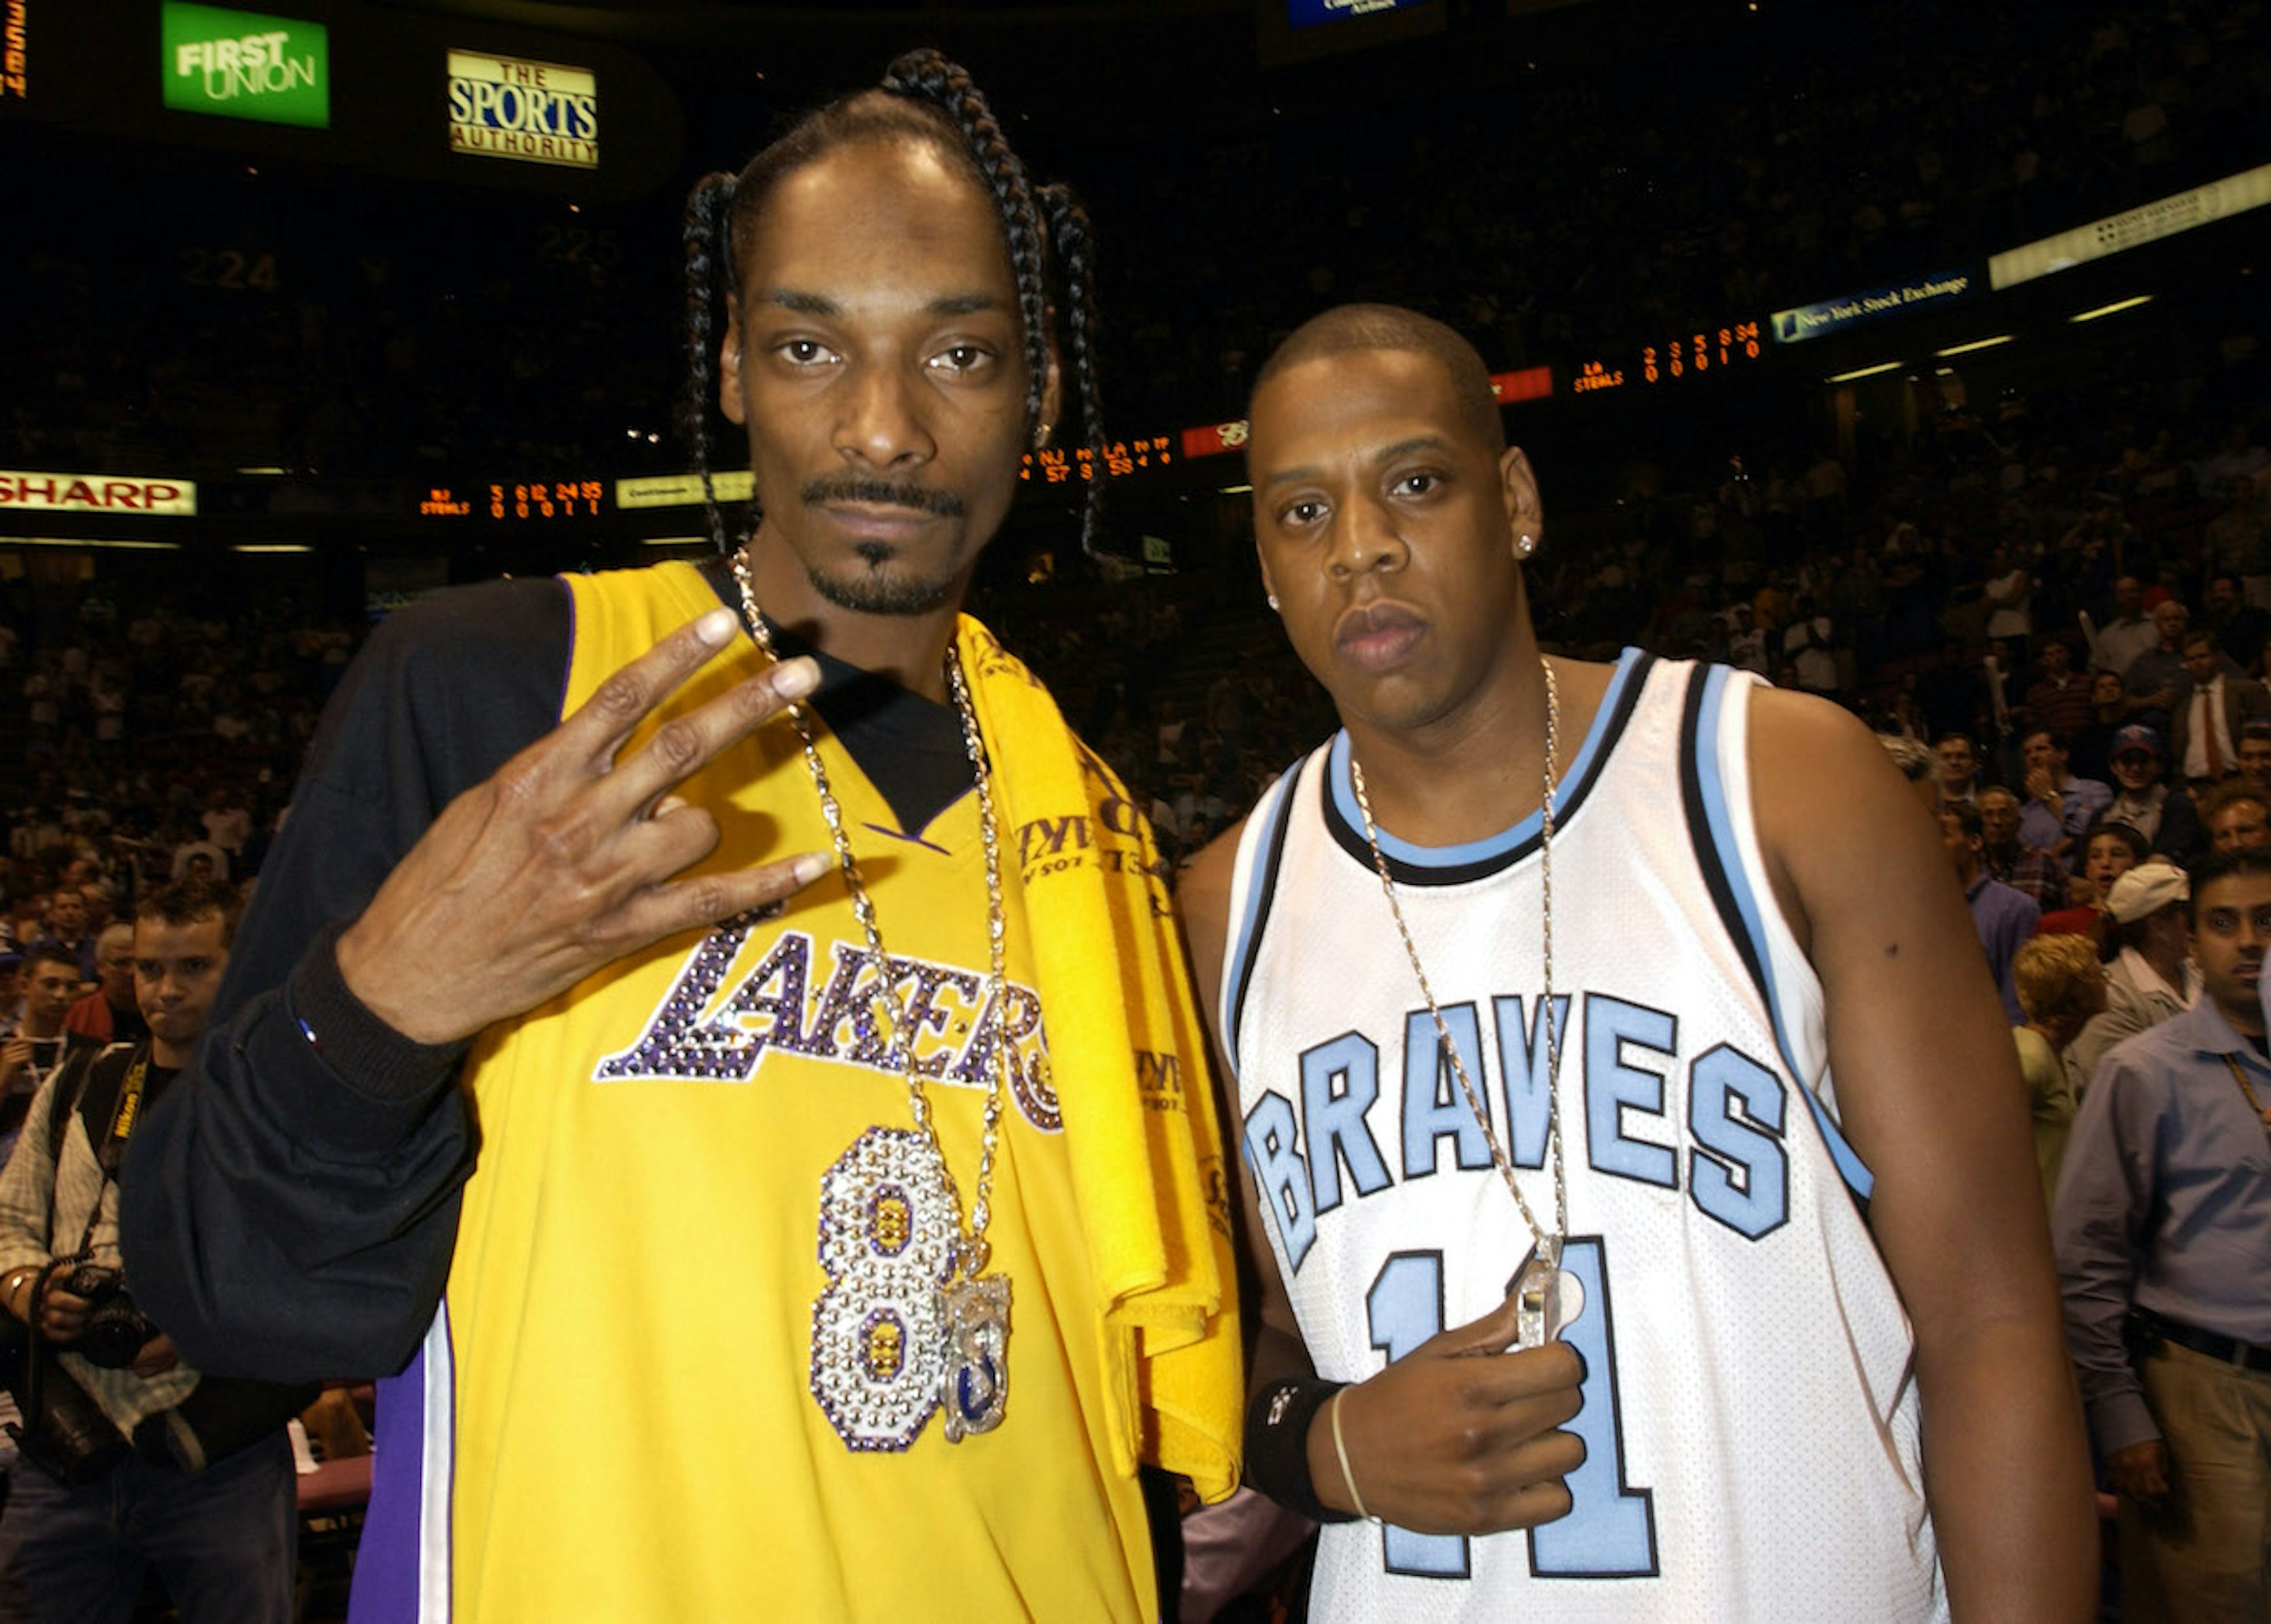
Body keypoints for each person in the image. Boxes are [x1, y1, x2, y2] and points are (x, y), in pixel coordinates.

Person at [119, 53, 1239, 1623]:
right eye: (807, 343)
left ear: (1042, 391)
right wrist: (381, 1005)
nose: (885, 425)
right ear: (730, 370)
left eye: (962, 354)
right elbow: (228, 1287)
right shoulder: (503, 688)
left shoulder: (1097, 828)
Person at [1180, 305, 2093, 1620]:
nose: (1362, 547)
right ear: (1265, 563)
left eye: (1416, 483)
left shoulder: (1778, 782)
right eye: (1301, 512)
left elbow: (1990, 1321)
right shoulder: (1221, 905)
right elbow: (1242, 1342)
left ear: (1516, 501)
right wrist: (1324, 1445)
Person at [0, 878, 306, 1624]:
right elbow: (8, 1216)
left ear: (238, 965)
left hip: (218, 1446)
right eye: (148, 968)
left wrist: (200, 1324)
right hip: (68, 1437)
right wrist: (27, 1289)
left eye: (194, 967)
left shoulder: (279, 1099)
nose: (165, 990)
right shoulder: (81, 1081)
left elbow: (310, 1267)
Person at [2054, 848, 2271, 1621]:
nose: (2250, 940)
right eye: (2224, 922)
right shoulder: (2145, 1071)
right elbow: (2085, 1255)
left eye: (2266, 920)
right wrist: (2120, 1413)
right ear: (2190, 939)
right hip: (2205, 1390)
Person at [2068, 859, 2197, 1089]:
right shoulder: (2110, 995)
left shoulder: (2199, 975)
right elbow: (2123, 1087)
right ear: (2158, 925)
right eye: (2187, 912)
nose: (2198, 922)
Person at [2011, 933, 2103, 1206]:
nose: (2107, 981)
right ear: (2077, 993)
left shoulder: (2050, 1053)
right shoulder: (2031, 1057)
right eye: (2100, 975)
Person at [62, 923, 146, 1049]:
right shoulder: (80, 1014)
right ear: (100, 967)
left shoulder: (161, 1010)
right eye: (121, 963)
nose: (132, 972)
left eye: (139, 963)